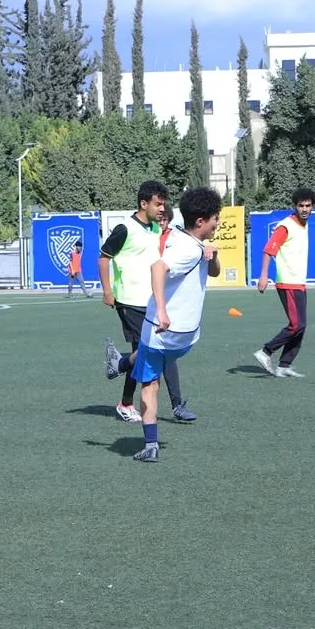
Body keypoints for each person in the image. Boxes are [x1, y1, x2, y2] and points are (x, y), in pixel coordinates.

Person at [103, 186, 222, 462]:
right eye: (216, 218)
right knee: (150, 383)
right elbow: (157, 268)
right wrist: (162, 311)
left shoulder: (189, 241)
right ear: (202, 222)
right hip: (164, 329)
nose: (218, 223)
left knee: (147, 360)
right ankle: (151, 444)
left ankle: (120, 364)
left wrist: (212, 254)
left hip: (180, 334)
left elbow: (212, 269)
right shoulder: (187, 249)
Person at [100, 181, 197, 424]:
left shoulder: (156, 229)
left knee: (161, 352)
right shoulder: (124, 228)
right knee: (144, 353)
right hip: (129, 301)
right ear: (144, 204)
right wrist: (107, 291)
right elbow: (104, 259)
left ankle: (123, 369)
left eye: (164, 203)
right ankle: (127, 403)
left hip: (152, 301)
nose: (162, 208)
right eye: (158, 203)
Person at [254, 186, 315, 378]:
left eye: (308, 205)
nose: (305, 209)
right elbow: (268, 250)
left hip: (299, 283)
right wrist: (264, 275)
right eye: (301, 205)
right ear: (295, 206)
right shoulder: (285, 226)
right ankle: (265, 352)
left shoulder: (303, 225)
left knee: (301, 326)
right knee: (296, 324)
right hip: (287, 282)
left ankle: (284, 365)